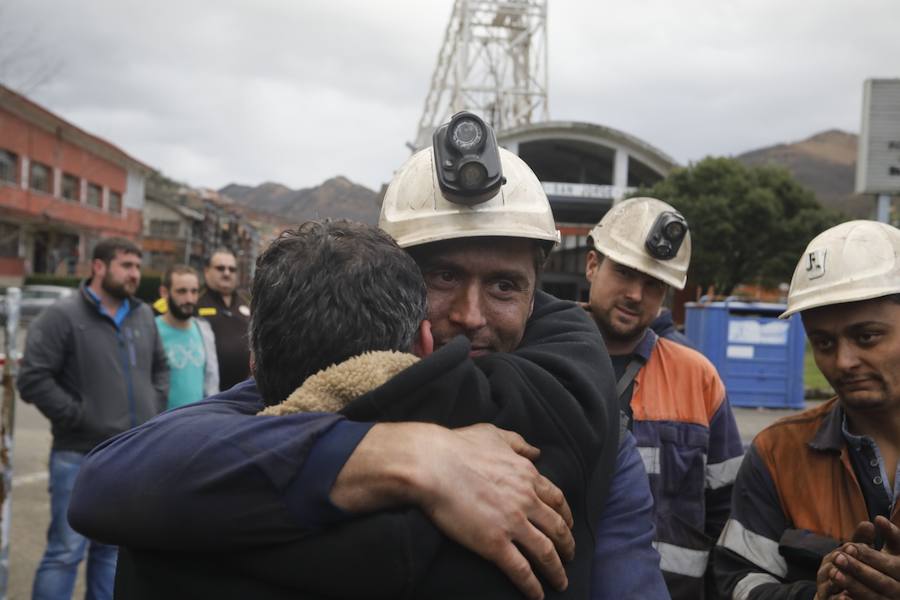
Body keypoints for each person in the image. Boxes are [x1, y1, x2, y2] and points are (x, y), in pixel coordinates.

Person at [70, 113, 664, 599]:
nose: (470, 315)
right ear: (387, 278)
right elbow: (113, 476)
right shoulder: (309, 390)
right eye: (443, 276)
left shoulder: (600, 436)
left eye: (504, 286)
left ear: (536, 297)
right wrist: (401, 453)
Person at [714, 220, 900, 600]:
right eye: (824, 343)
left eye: (866, 337)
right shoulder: (776, 454)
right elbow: (738, 582)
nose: (844, 361)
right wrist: (813, 596)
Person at [583, 196, 744, 599]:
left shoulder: (698, 378)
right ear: (592, 266)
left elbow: (729, 514)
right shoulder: (540, 359)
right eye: (624, 272)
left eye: (653, 284)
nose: (636, 294)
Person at [17, 237, 168, 600]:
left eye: (137, 266)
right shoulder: (63, 315)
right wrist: (78, 415)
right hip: (78, 454)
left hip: (128, 456)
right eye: (126, 265)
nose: (135, 274)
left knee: (110, 552)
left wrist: (154, 403)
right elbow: (33, 377)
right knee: (65, 553)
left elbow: (160, 368)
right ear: (98, 267)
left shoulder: (143, 315)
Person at [155, 264, 218, 409]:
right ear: (164, 292)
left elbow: (211, 383)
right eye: (181, 291)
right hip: (163, 420)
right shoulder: (152, 330)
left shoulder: (204, 330)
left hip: (199, 419)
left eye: (194, 291)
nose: (189, 299)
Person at [198, 249, 250, 390]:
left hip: (242, 389)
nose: (227, 273)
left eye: (232, 269)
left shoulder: (246, 303)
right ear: (207, 271)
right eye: (220, 268)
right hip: (208, 390)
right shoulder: (196, 302)